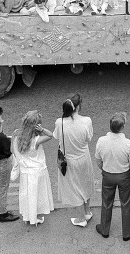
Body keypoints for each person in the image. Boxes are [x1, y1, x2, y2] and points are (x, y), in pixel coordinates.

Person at [94, 113, 130, 241]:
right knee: (125, 203)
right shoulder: (128, 143)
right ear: (123, 127)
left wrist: (105, 169)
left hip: (108, 174)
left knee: (106, 202)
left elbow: (98, 160)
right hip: (124, 175)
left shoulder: (101, 141)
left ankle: (104, 229)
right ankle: (127, 232)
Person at [53, 94, 95, 227]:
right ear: (78, 107)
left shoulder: (60, 122)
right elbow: (89, 138)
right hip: (84, 157)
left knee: (74, 188)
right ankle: (87, 212)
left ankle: (81, 218)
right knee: (85, 183)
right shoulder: (87, 120)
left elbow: (56, 136)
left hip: (69, 160)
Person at [12, 111, 54, 226]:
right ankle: (36, 217)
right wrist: (42, 129)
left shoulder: (17, 135)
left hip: (25, 172)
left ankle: (27, 217)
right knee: (37, 195)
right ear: (36, 126)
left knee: (26, 195)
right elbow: (51, 135)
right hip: (37, 171)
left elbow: (15, 152)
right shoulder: (36, 140)